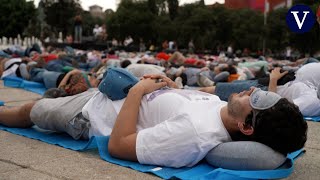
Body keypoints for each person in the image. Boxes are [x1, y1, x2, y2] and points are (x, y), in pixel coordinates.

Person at [0, 74, 307, 168]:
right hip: (112, 96)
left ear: (247, 127)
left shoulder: (194, 135)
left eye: (256, 99)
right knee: (43, 101)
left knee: (29, 110)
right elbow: (191, 102)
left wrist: (137, 91)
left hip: (88, 114)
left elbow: (119, 146)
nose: (251, 89)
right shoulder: (221, 110)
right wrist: (174, 88)